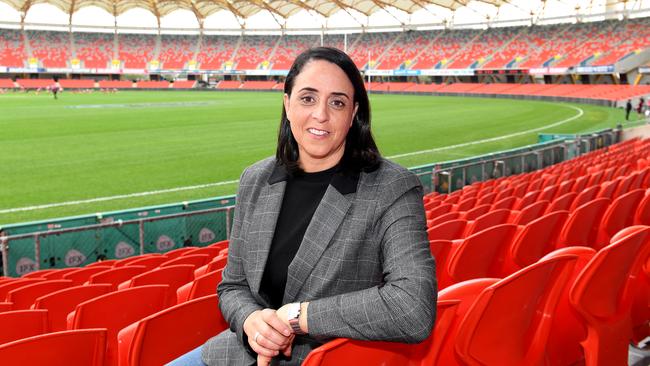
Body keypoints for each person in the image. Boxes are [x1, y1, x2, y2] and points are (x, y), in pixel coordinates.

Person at [169, 47, 436, 366]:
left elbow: (413, 308)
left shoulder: (391, 187)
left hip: (329, 359)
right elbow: (233, 285)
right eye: (308, 98)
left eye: (337, 102)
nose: (321, 115)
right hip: (241, 352)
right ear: (287, 103)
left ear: (353, 115)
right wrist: (251, 322)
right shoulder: (255, 179)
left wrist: (299, 317)